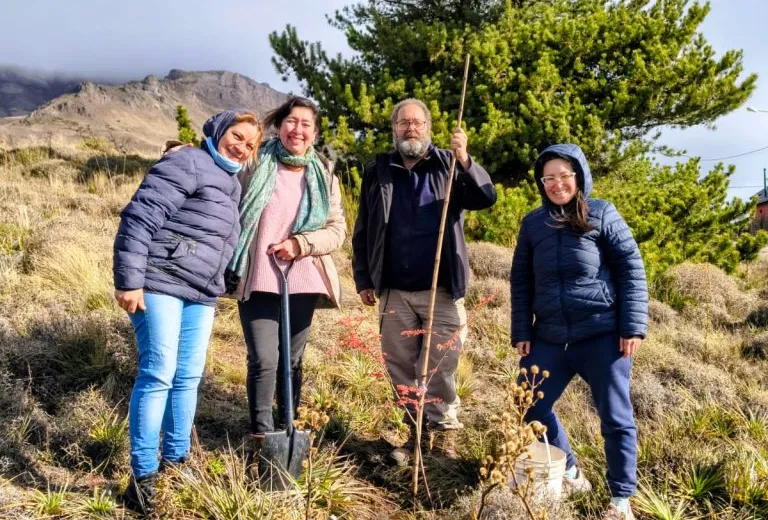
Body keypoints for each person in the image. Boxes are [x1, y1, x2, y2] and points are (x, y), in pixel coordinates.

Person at [113, 110, 262, 514]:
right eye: (237, 135)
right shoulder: (188, 161)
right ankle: (142, 481)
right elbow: (141, 216)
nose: (242, 146)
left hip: (201, 294)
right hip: (159, 282)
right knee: (159, 372)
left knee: (188, 377)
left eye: (250, 144)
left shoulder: (231, 185)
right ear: (217, 130)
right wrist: (129, 280)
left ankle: (176, 465)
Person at [352, 98, 497, 464]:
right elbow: (364, 228)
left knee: (440, 367)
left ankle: (442, 438)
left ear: (429, 127)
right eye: (403, 123)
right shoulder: (378, 170)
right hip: (394, 291)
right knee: (400, 366)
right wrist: (364, 278)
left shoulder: (448, 164)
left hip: (442, 290)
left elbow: (485, 197)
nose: (410, 129)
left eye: (417, 123)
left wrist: (465, 159)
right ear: (394, 129)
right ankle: (414, 435)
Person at [510, 144, 648, 520]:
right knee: (529, 405)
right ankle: (569, 470)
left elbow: (631, 269)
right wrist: (522, 329)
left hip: (602, 335)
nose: (557, 184)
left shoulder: (602, 213)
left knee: (614, 416)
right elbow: (520, 280)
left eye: (565, 176)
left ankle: (621, 499)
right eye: (549, 178)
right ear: (542, 183)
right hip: (550, 337)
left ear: (579, 177)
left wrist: (632, 326)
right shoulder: (532, 223)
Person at [225, 97, 345, 449]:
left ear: (315, 133)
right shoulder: (254, 162)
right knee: (264, 357)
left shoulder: (324, 174)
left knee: (291, 361)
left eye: (306, 124)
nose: (298, 129)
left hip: (303, 278)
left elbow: (337, 230)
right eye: (292, 121)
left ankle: (288, 429)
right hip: (258, 275)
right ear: (279, 125)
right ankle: (262, 434)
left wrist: (301, 243)